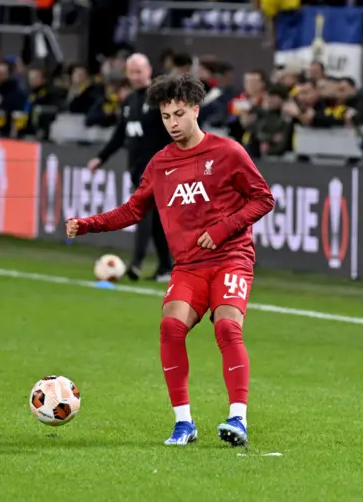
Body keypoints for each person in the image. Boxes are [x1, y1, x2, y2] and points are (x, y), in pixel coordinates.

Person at [67, 74, 275, 447]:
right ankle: (184, 424)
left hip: (231, 257)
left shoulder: (228, 152)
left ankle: (238, 420)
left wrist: (225, 227)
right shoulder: (160, 164)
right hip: (189, 266)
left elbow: (263, 199)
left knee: (227, 328)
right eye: (166, 116)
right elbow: (133, 209)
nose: (173, 123)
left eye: (179, 114)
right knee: (170, 327)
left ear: (196, 110)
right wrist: (88, 225)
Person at [87, 53, 173, 282]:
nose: (135, 76)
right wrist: (100, 158)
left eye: (139, 71)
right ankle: (166, 268)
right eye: (131, 72)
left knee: (142, 211)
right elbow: (119, 136)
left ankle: (135, 264)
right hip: (138, 170)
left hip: (161, 170)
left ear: (149, 71)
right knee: (156, 223)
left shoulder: (161, 98)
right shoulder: (129, 102)